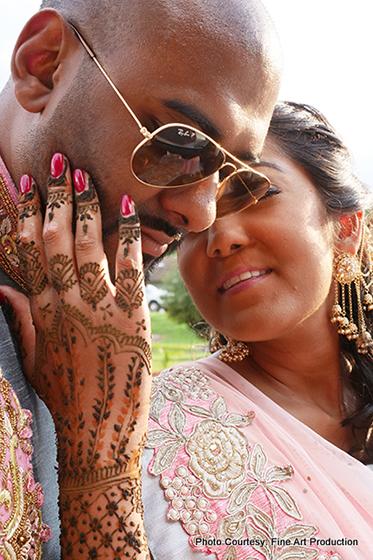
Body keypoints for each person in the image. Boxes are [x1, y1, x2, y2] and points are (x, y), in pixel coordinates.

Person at [0, 0, 281, 556]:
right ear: (44, 65)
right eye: (179, 145)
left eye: (232, 179)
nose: (202, 214)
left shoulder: (94, 324)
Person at [140, 102, 373, 559]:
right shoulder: (149, 428)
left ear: (345, 228)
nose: (220, 237)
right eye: (190, 224)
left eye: (254, 190)